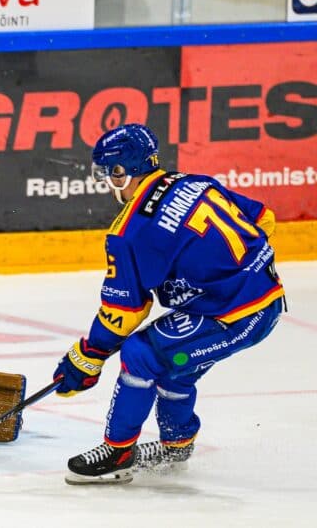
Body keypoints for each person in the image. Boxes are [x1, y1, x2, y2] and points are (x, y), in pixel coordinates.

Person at [54, 123, 285, 485]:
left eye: (108, 173)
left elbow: (122, 314)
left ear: (121, 171)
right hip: (261, 299)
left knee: (140, 353)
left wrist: (87, 356)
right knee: (176, 363)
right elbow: (263, 219)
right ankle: (176, 445)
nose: (106, 181)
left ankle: (118, 451)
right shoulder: (196, 182)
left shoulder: (129, 232)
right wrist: (220, 273)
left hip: (234, 315)